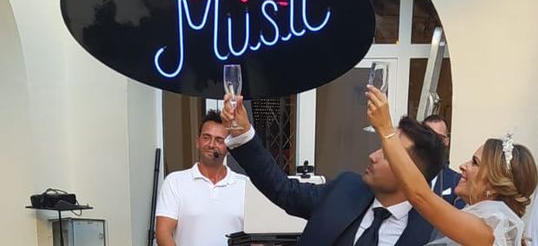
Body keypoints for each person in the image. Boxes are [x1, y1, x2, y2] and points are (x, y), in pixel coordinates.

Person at [221, 93, 446, 245]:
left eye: (387, 155)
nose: (373, 156)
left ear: (411, 172)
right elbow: (283, 189)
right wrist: (243, 134)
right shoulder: (346, 189)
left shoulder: (432, 233)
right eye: (380, 147)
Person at [367, 87, 538, 246]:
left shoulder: (487, 232)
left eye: (475, 163)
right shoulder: (474, 221)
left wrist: (385, 129)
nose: (463, 166)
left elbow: (420, 196)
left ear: (493, 186)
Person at [155, 109, 247, 246]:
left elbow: (256, 237)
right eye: (206, 137)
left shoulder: (245, 185)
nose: (211, 144)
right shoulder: (175, 182)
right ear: (197, 142)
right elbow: (163, 234)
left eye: (219, 140)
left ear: (228, 147)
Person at [422, 115, 463, 208]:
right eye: (429, 136)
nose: (433, 142)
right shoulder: (406, 174)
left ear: (446, 141)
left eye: (439, 138)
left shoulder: (456, 181)